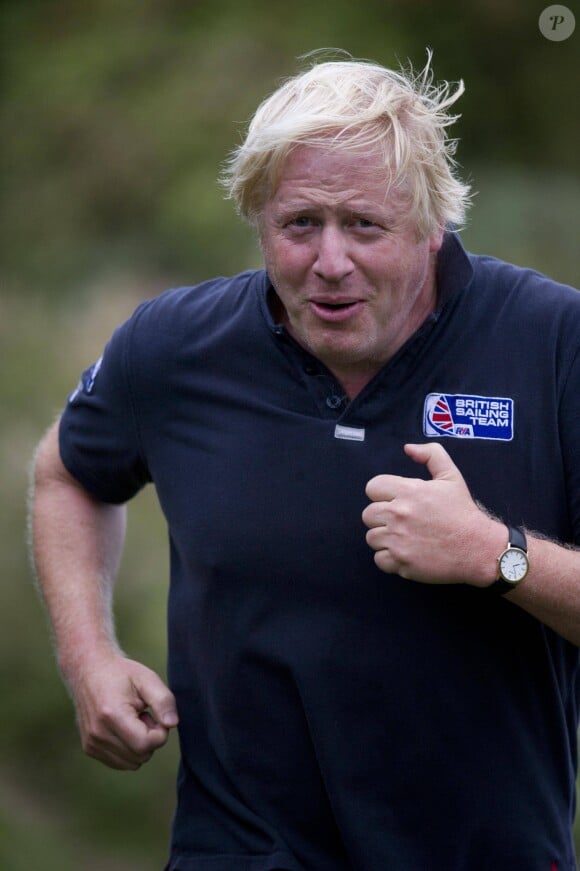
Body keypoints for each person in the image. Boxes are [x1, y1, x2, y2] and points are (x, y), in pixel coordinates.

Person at [30, 51, 580, 871]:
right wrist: (90, 659)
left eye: (364, 224)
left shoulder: (551, 341)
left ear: (432, 223)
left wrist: (493, 554)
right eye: (299, 224)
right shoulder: (176, 347)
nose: (329, 262)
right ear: (259, 220)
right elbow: (67, 473)